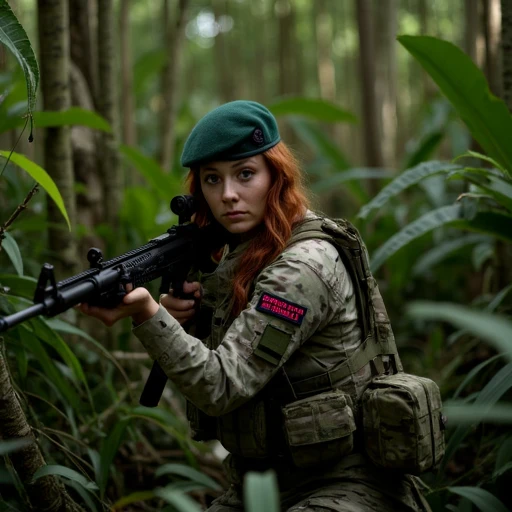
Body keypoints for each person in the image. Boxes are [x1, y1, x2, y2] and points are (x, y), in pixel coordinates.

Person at [80, 100, 432, 511]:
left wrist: (147, 313)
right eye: (212, 179)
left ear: (275, 176)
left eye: (245, 174)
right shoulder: (246, 252)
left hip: (348, 482)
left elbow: (222, 384)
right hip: (260, 481)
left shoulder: (304, 265)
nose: (228, 195)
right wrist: (189, 319)